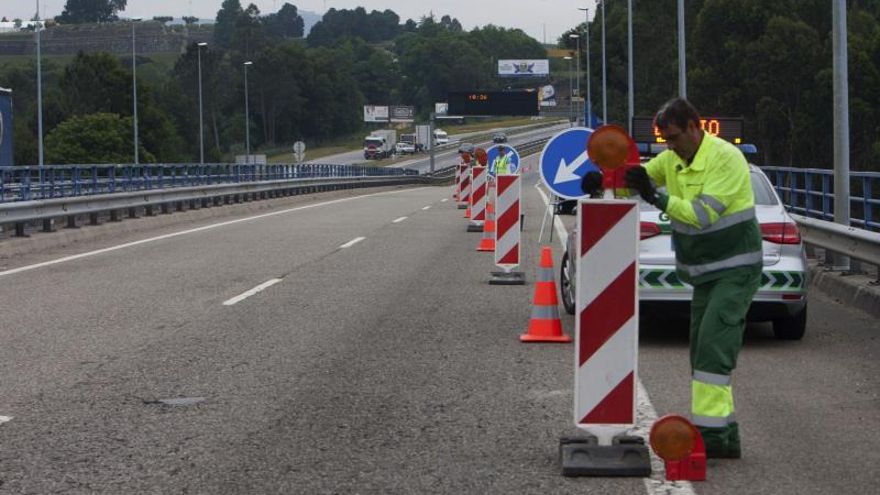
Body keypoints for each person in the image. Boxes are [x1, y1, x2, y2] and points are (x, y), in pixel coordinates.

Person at [625, 97, 762, 459]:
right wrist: (607, 180)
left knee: (714, 349)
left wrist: (655, 196)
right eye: (664, 141)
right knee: (702, 351)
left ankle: (713, 438)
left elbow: (701, 215)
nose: (669, 147)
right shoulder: (671, 159)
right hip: (704, 274)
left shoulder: (726, 158)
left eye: (673, 138)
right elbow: (637, 182)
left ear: (692, 127)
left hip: (735, 269)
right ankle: (725, 434)